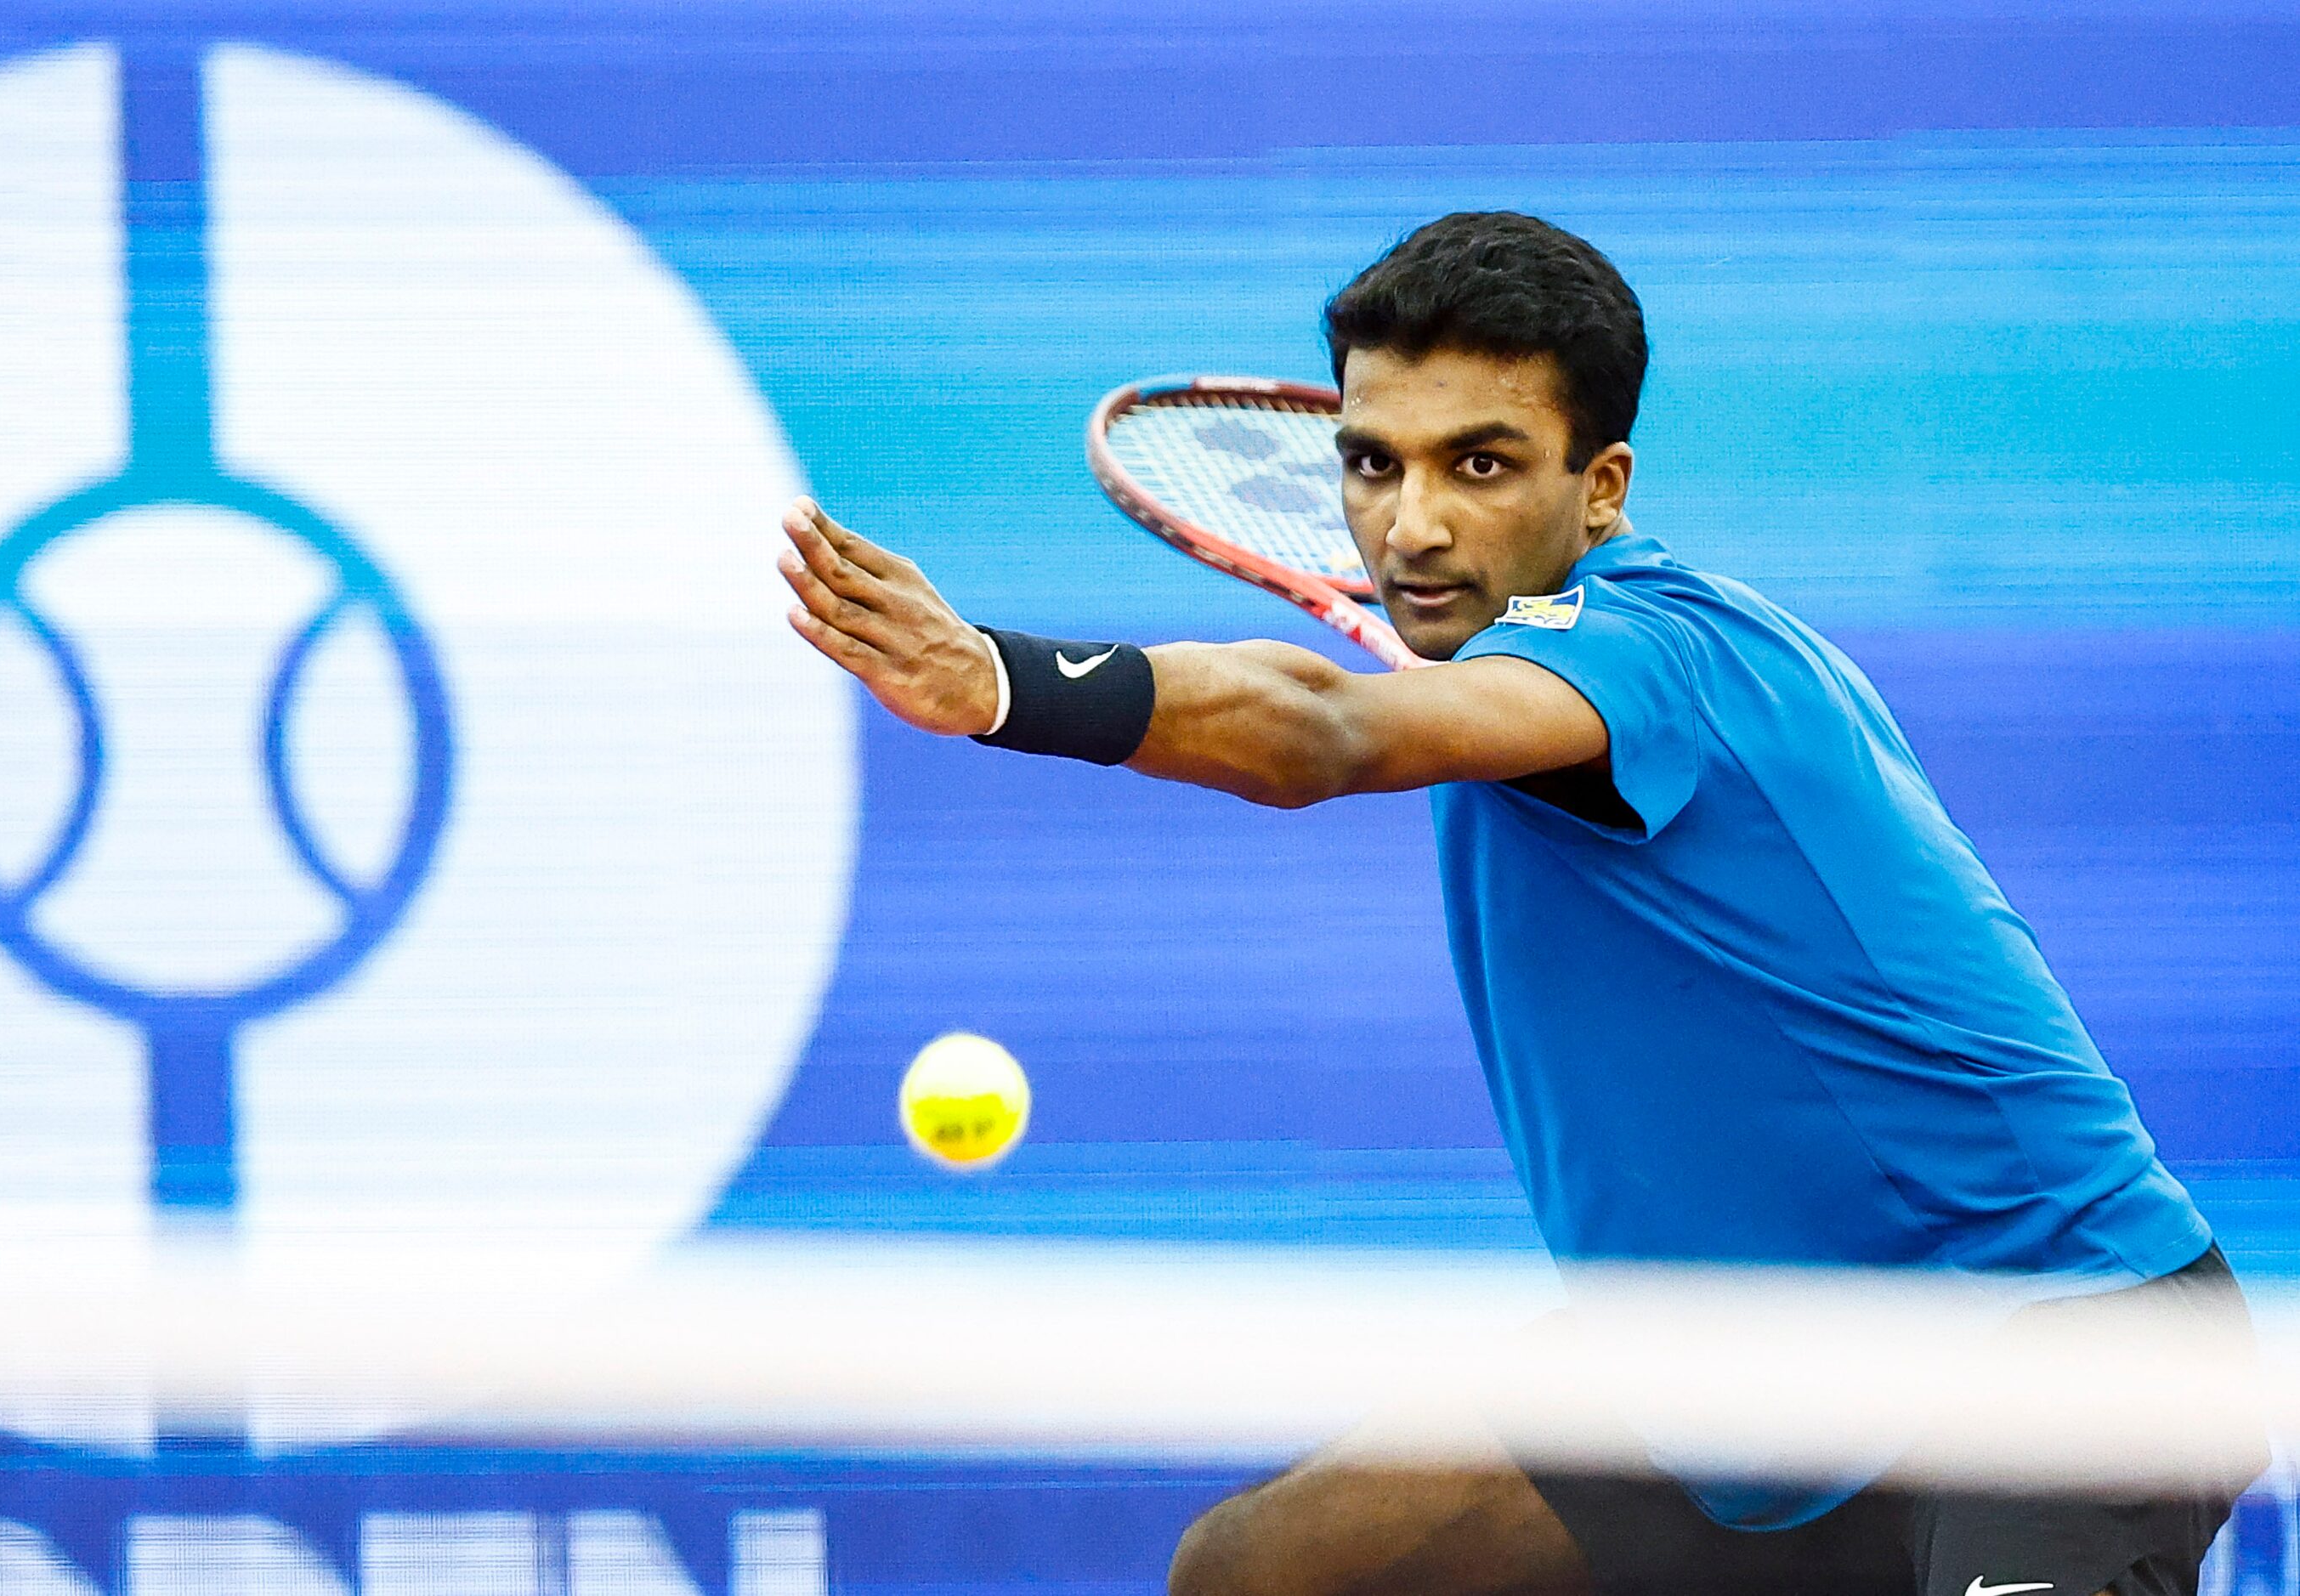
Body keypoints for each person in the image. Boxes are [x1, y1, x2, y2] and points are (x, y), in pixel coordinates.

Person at [771, 212, 2262, 1596]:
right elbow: (1340, 700)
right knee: (1265, 1571)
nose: (1408, 522)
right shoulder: (1519, 656)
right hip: (1741, 1369)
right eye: (1372, 463)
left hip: (2054, 1345)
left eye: (1478, 465)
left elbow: (1324, 731)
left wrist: (1000, 683)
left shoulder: (1651, 651)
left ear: (1597, 487)